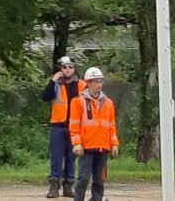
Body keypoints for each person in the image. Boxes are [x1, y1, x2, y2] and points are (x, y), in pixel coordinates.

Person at [68, 67, 117, 201]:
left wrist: (114, 144)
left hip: (103, 147)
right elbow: (74, 125)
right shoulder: (78, 101)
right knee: (83, 178)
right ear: (88, 83)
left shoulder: (108, 103)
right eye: (95, 82)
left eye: (100, 82)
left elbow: (111, 126)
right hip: (87, 147)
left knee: (99, 180)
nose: (98, 85)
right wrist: (77, 143)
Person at [40, 55, 83, 197]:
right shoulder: (56, 84)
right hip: (58, 125)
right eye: (65, 67)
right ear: (61, 69)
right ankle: (54, 186)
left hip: (75, 127)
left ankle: (68, 186)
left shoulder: (82, 85)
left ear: (74, 69)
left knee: (71, 157)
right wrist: (52, 81)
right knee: (56, 157)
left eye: (70, 67)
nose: (68, 69)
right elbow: (45, 97)